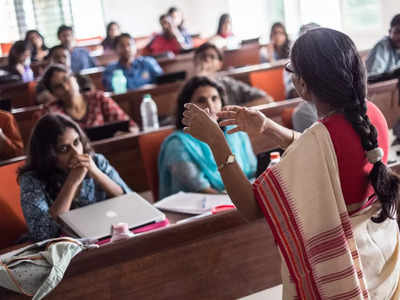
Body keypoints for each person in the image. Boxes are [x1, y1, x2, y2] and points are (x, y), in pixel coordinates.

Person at [182, 28, 400, 298]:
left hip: (347, 271)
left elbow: (252, 206)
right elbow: (327, 153)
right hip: (378, 258)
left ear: (302, 84)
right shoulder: (370, 115)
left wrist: (217, 142)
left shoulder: (318, 143)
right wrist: (270, 129)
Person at [18, 114, 132, 242]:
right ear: (48, 154)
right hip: (62, 247)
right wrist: (72, 182)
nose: (76, 153)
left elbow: (128, 199)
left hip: (102, 235)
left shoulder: (97, 161)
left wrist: (95, 172)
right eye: (64, 149)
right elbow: (44, 233)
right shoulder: (31, 180)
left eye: (76, 142)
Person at [158, 76, 256, 199]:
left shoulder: (235, 131)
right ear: (187, 109)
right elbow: (199, 189)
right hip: (203, 209)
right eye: (201, 100)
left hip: (241, 200)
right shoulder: (177, 144)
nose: (210, 106)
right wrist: (239, 200)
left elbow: (252, 172)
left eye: (214, 98)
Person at [41, 65, 138, 131]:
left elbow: (131, 127)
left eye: (66, 80)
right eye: (58, 87)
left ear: (74, 78)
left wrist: (125, 132)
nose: (65, 88)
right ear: (52, 94)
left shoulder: (97, 98)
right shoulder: (51, 112)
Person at [194, 43, 273, 106]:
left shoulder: (229, 84)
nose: (207, 60)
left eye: (212, 57)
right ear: (195, 61)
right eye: (203, 56)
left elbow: (266, 99)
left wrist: (233, 113)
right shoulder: (189, 88)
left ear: (220, 64)